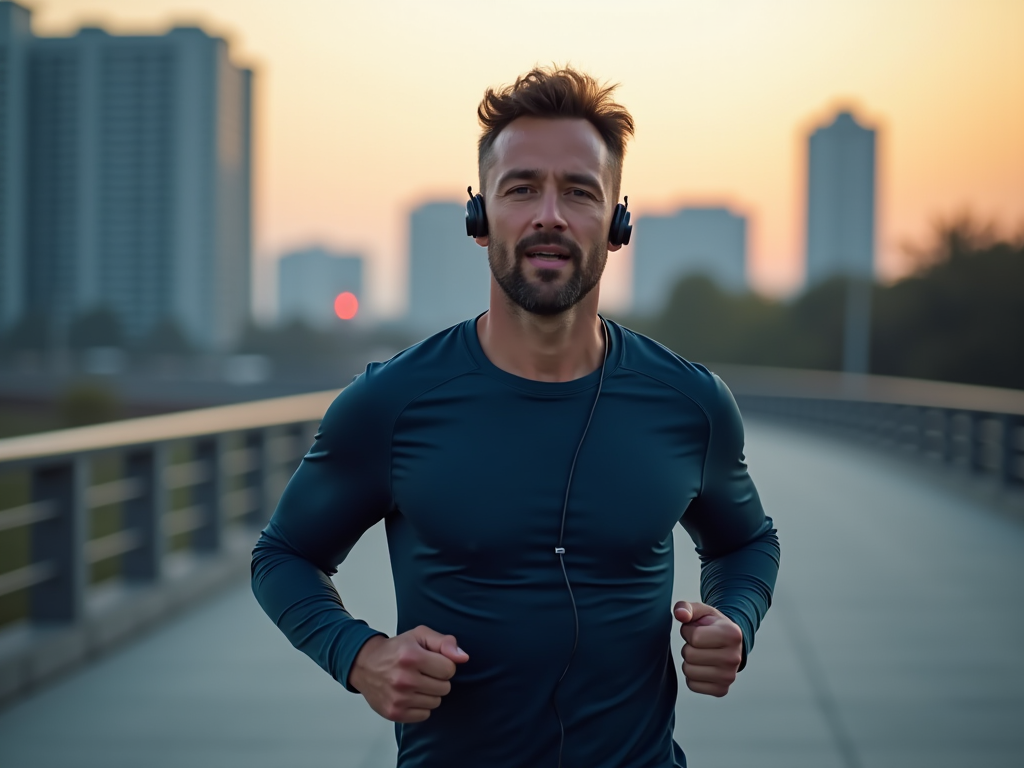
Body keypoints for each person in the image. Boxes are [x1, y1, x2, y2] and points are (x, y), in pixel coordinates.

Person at [252, 66, 780, 768]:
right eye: (522, 188)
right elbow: (284, 555)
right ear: (481, 218)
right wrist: (360, 655)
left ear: (618, 223)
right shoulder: (389, 403)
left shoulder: (692, 403)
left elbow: (747, 545)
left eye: (580, 192)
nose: (549, 215)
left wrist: (734, 621)